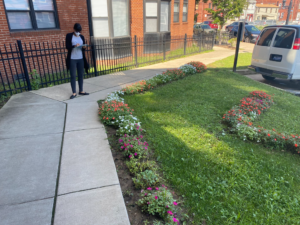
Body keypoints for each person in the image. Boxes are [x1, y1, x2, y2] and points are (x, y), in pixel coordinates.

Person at [66, 23, 90, 99]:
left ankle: (81, 91)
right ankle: (74, 92)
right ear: (74, 29)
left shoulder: (82, 37)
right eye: (77, 30)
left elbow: (82, 48)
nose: (78, 32)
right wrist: (74, 46)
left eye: (79, 31)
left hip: (80, 58)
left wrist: (84, 47)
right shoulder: (69, 36)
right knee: (73, 76)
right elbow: (67, 47)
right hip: (72, 58)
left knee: (80, 75)